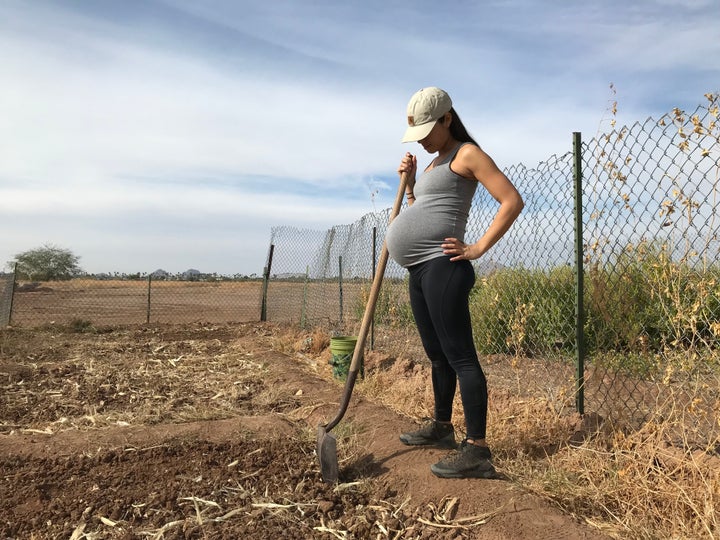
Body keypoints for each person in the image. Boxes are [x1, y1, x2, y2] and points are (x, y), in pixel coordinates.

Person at [385, 87, 524, 479]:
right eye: (418, 134)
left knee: (461, 356)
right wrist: (411, 183)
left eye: (429, 130)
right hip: (419, 269)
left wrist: (478, 247)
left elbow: (511, 200)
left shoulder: (468, 154)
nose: (424, 140)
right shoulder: (433, 164)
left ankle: (477, 449)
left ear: (447, 119)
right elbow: (425, 213)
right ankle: (442, 427)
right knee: (437, 354)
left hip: (444, 267)